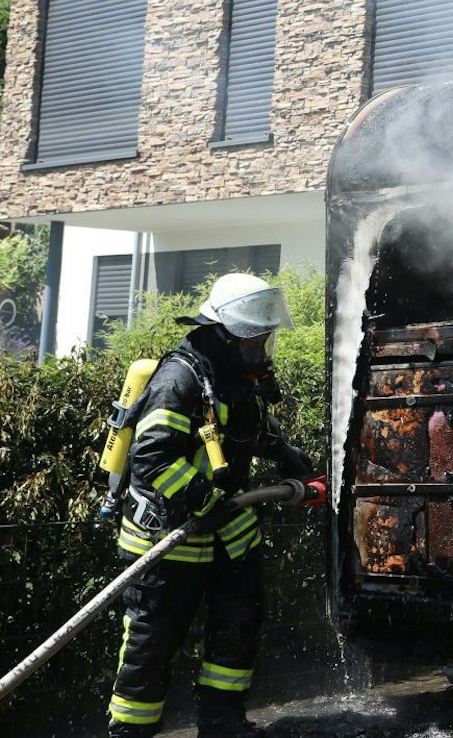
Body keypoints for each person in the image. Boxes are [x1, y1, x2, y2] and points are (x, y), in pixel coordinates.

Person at [106, 273, 327, 738]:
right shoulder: (179, 378)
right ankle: (131, 732)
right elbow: (153, 457)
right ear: (225, 335)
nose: (260, 351)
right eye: (254, 342)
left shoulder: (233, 377)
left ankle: (222, 725)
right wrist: (203, 500)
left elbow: (237, 431)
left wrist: (282, 452)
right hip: (167, 542)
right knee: (152, 645)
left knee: (237, 630)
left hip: (228, 536)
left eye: (264, 341)